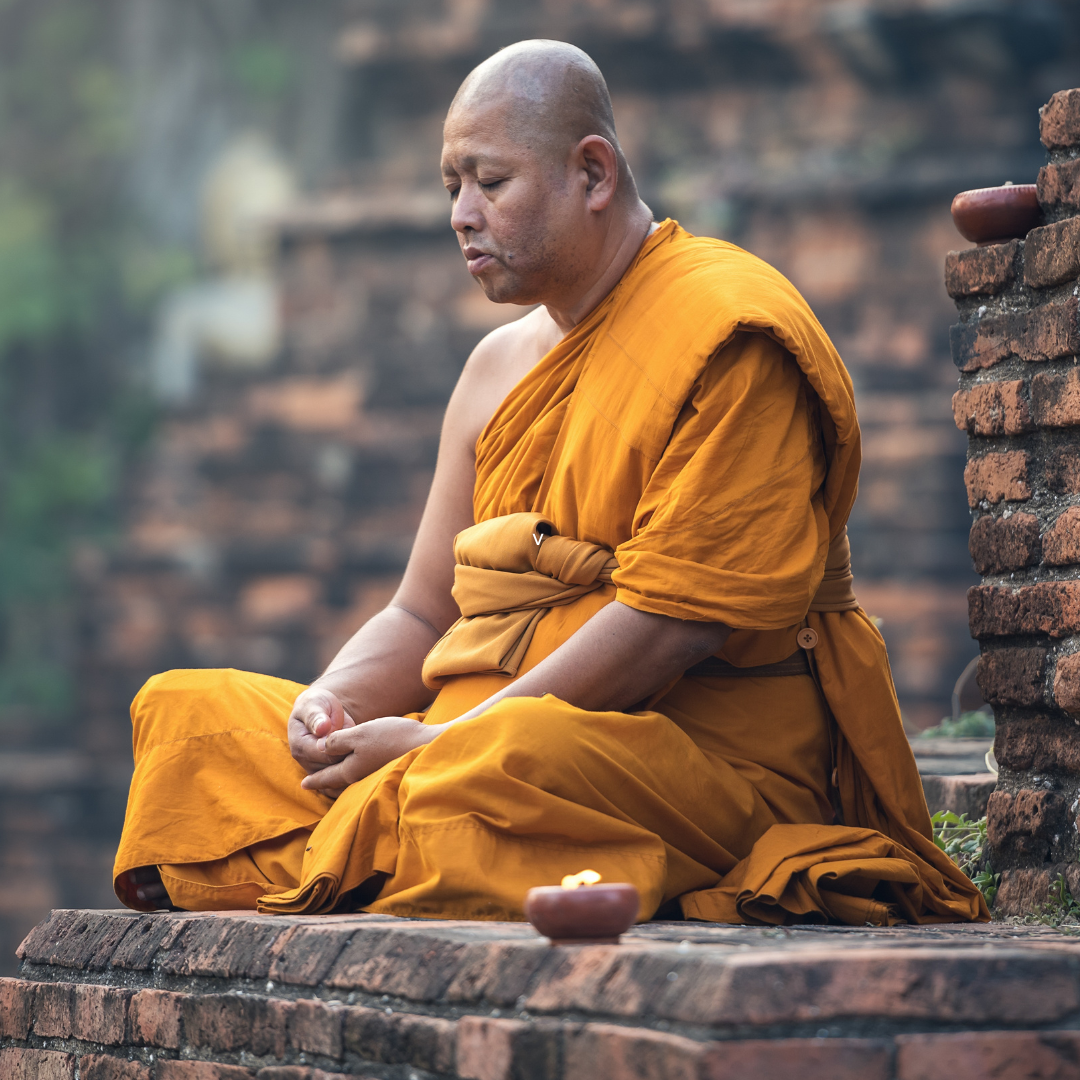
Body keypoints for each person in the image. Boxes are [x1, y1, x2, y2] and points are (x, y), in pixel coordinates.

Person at [115, 40, 987, 926]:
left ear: (594, 174)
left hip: (675, 757)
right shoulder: (494, 368)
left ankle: (347, 841)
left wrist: (447, 741)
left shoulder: (728, 333)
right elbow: (422, 613)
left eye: (489, 183)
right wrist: (329, 705)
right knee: (188, 716)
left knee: (494, 774)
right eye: (450, 185)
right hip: (469, 739)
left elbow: (671, 626)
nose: (461, 214)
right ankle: (371, 831)